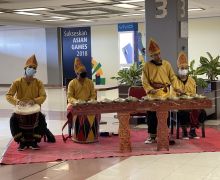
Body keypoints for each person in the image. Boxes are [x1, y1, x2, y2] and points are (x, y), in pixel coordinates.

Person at [6, 54, 55, 151]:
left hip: (34, 108)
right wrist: (17, 101)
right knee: (13, 120)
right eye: (30, 67)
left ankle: (34, 141)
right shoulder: (17, 82)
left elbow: (43, 96)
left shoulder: (38, 83)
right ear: (25, 68)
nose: (32, 69)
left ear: (35, 71)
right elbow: (8, 95)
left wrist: (34, 101)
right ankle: (21, 141)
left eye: (34, 68)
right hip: (20, 109)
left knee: (41, 119)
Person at [142, 38, 182, 144]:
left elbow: (173, 77)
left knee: (165, 115)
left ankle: (164, 135)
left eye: (159, 54)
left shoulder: (167, 64)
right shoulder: (147, 66)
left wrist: (177, 87)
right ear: (151, 56)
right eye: (155, 55)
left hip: (165, 93)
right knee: (151, 115)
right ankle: (152, 136)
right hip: (153, 95)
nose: (158, 56)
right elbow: (144, 80)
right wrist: (150, 90)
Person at [65, 57, 99, 143]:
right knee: (70, 109)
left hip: (88, 103)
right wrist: (76, 102)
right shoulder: (72, 83)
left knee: (97, 109)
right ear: (77, 73)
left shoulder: (90, 82)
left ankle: (93, 133)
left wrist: (90, 101)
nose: (83, 77)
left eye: (84, 74)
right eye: (81, 75)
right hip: (75, 103)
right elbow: (69, 97)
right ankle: (76, 132)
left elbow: (93, 95)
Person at [175, 52, 206, 139]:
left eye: (185, 68)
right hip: (179, 103)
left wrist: (186, 94)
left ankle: (192, 130)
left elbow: (193, 93)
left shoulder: (192, 80)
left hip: (191, 103)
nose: (184, 70)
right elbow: (172, 93)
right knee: (183, 112)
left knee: (202, 112)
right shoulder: (175, 80)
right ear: (178, 68)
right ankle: (184, 131)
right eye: (182, 68)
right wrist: (180, 94)